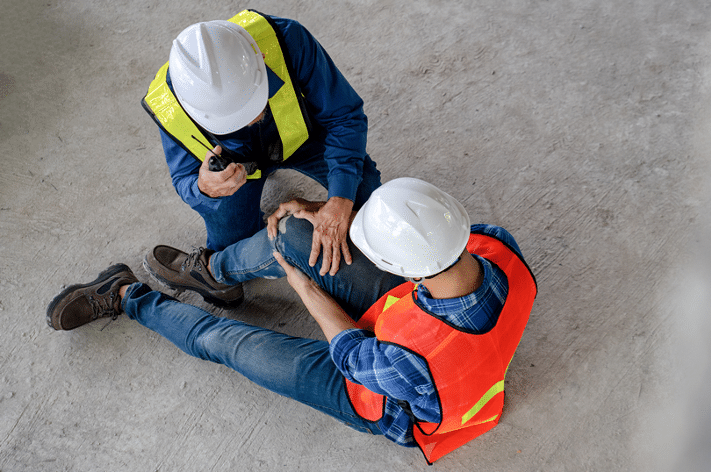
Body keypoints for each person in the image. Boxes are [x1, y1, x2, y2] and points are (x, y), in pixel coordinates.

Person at [46, 178, 537, 464]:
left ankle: (128, 296)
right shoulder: (495, 247)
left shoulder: (411, 363)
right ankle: (214, 274)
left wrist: (302, 283)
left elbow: (349, 351)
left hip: (382, 395)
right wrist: (324, 213)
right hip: (423, 335)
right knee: (302, 233)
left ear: (399, 271)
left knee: (225, 344)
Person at [142, 9, 380, 295]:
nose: (248, 120)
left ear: (261, 58)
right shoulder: (168, 105)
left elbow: (344, 117)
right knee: (235, 249)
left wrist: (340, 199)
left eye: (252, 104)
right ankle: (216, 267)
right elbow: (183, 178)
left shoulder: (286, 39)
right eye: (231, 119)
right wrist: (204, 188)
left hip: (305, 138)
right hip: (238, 175)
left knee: (372, 203)